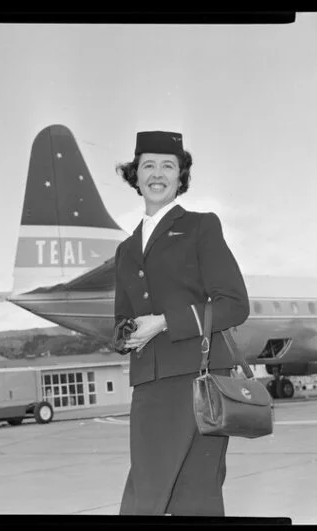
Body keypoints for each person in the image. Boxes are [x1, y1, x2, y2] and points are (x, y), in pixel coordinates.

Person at [113, 130, 250, 516]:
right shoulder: (125, 250)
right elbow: (120, 321)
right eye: (148, 166)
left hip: (200, 382)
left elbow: (235, 305)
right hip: (149, 385)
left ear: (180, 177)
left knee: (194, 495)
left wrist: (163, 323)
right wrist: (126, 338)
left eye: (168, 166)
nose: (157, 174)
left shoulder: (201, 227)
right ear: (135, 175)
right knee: (148, 493)